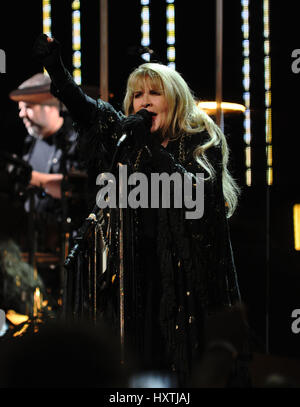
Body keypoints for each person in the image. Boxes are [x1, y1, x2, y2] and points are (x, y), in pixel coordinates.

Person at [31, 33, 244, 386]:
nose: (144, 102)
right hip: (135, 278)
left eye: (154, 93)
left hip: (185, 289)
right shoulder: (128, 139)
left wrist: (148, 145)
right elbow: (88, 110)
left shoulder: (200, 139)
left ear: (174, 99)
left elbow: (193, 194)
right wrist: (57, 69)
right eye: (137, 95)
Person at [9, 73, 84, 306]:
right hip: (32, 243)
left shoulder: (75, 138)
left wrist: (30, 177)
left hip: (64, 247)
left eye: (28, 106)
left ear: (51, 105)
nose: (21, 113)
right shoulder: (31, 141)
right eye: (20, 107)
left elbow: (75, 189)